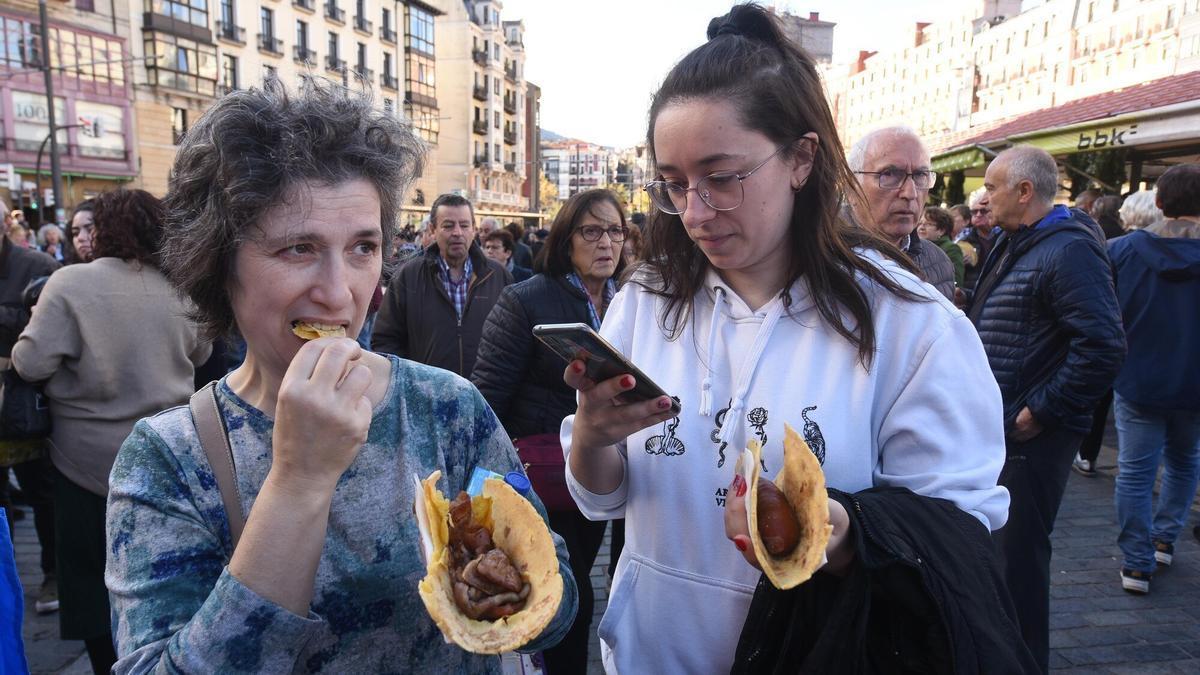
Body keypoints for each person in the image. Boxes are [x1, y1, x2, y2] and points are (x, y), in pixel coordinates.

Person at [562, 6, 1022, 673]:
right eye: (674, 183)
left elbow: (957, 533)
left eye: (722, 178)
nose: (695, 211)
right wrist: (592, 437)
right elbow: (603, 498)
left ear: (802, 158)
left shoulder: (910, 323)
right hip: (647, 656)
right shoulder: (644, 305)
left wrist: (840, 537)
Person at [104, 78, 576, 673]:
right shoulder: (169, 459)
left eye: (362, 247)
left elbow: (556, 611)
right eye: (298, 248)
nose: (340, 294)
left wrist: (496, 573)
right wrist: (299, 480)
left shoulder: (447, 407)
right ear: (220, 264)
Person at [12, 188, 210, 674]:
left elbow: (30, 361)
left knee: (87, 581)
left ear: (102, 230)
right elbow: (203, 356)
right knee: (164, 574)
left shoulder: (69, 283)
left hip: (82, 461)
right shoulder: (181, 290)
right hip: (168, 455)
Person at [967, 145, 1126, 671]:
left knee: (1020, 568)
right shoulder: (1019, 241)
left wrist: (1039, 413)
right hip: (1005, 430)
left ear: (1024, 191)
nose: (984, 199)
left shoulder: (1068, 249)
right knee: (1000, 560)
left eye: (991, 188)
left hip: (1031, 438)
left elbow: (1103, 345)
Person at [473, 189, 628, 675]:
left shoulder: (629, 302)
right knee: (565, 589)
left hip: (611, 473)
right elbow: (489, 395)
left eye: (616, 231)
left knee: (599, 578)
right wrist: (486, 482)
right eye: (592, 231)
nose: (607, 242)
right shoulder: (527, 298)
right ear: (567, 240)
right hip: (544, 479)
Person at [1107, 164, 1200, 594]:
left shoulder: (1121, 251)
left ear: (1158, 201)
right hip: (1194, 384)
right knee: (1185, 462)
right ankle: (1165, 537)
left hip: (1138, 379)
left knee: (1135, 472)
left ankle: (1137, 562)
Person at [371, 193, 512, 377]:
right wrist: (410, 385)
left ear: (474, 230)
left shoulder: (499, 277)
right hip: (427, 398)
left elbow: (513, 341)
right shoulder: (408, 277)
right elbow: (386, 341)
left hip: (485, 398)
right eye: (448, 225)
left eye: (464, 225)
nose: (457, 232)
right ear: (432, 229)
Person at [0, 199, 60, 618]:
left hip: (23, 401)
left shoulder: (36, 263)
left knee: (42, 493)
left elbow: (49, 327)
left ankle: (52, 574)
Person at [846, 126, 956, 301]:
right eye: (890, 174)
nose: (910, 193)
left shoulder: (939, 263)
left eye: (920, 175)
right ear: (852, 186)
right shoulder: (818, 253)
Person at [918, 205, 965, 288]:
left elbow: (956, 282)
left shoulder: (951, 249)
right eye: (920, 223)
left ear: (942, 230)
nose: (921, 227)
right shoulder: (913, 247)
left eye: (928, 224)